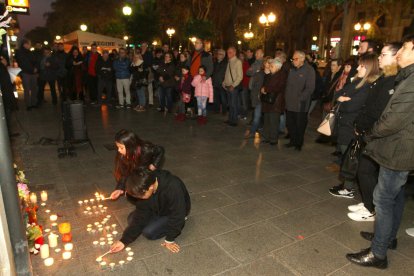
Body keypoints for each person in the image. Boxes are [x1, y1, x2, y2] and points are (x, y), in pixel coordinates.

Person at [346, 35, 414, 269]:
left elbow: (391, 120)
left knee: (383, 199)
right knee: (394, 197)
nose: (399, 53)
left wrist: (369, 134)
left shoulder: (411, 81)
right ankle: (387, 239)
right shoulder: (406, 77)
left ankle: (378, 253)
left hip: (397, 149)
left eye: (404, 48)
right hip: (397, 146)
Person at [347, 42, 402, 222]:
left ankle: (370, 209)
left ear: (396, 56)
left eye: (383, 54)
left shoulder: (394, 80)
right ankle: (368, 204)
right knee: (366, 170)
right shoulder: (385, 76)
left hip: (375, 133)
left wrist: (364, 128)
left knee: (366, 170)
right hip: (368, 130)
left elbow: (379, 109)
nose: (379, 57)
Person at [329, 53, 381, 199]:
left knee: (350, 158)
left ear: (369, 67)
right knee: (346, 155)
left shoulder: (367, 86)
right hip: (344, 124)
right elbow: (338, 93)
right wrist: (341, 98)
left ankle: (348, 188)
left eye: (361, 66)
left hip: (351, 126)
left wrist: (342, 100)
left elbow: (352, 106)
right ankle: (347, 185)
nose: (358, 67)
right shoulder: (357, 81)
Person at [110, 168, 191, 254]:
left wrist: (170, 239)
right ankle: (155, 220)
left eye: (141, 196)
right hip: (156, 207)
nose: (139, 198)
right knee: (131, 219)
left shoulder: (172, 186)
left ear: (151, 187)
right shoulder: (143, 186)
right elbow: (141, 213)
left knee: (149, 232)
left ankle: (181, 220)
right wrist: (124, 241)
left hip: (173, 211)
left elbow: (177, 214)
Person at [110, 129, 165, 200]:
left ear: (130, 146)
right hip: (136, 174)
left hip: (146, 173)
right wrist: (119, 188)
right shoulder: (122, 155)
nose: (118, 150)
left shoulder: (146, 149)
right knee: (134, 194)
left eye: (121, 147)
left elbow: (160, 150)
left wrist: (154, 164)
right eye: (117, 147)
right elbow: (124, 173)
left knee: (148, 193)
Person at [284, 51, 315, 151]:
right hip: (289, 102)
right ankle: (292, 141)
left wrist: (300, 98)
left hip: (301, 104)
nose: (293, 61)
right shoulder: (291, 69)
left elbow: (310, 88)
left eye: (296, 59)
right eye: (293, 59)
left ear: (302, 59)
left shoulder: (309, 70)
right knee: (290, 123)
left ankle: (298, 143)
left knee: (300, 124)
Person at [315, 58, 343, 144]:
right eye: (331, 65)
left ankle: (329, 138)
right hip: (326, 101)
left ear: (339, 66)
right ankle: (324, 137)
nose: (331, 67)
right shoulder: (330, 74)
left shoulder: (340, 77)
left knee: (331, 120)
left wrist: (332, 100)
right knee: (325, 119)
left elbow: (337, 91)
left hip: (332, 102)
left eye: (334, 65)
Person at [260, 58, 287, 145]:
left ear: (277, 67)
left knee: (274, 121)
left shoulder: (282, 75)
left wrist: (266, 89)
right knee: (267, 120)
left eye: (272, 66)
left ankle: (273, 139)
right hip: (267, 101)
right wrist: (263, 88)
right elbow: (264, 83)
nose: (270, 68)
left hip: (276, 102)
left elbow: (278, 87)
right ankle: (266, 137)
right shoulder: (270, 75)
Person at [244, 49, 265, 138]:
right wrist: (254, 71)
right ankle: (259, 127)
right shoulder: (255, 63)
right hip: (254, 90)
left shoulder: (263, 64)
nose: (256, 54)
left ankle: (253, 130)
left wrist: (254, 71)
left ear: (262, 54)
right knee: (257, 111)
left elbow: (258, 76)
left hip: (258, 91)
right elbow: (248, 72)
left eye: (258, 53)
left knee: (257, 111)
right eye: (256, 53)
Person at [15, 39, 39, 110]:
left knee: (34, 89)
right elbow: (23, 64)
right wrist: (32, 69)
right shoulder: (19, 53)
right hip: (25, 73)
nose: (30, 45)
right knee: (27, 90)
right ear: (25, 44)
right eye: (29, 44)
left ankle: (34, 103)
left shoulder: (31, 52)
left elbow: (36, 61)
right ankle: (28, 105)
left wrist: (36, 68)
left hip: (33, 73)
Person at [223, 47, 243, 127]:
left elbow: (240, 76)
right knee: (230, 103)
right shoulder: (229, 61)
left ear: (234, 53)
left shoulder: (237, 62)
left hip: (233, 87)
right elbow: (227, 73)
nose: (228, 54)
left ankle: (234, 120)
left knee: (234, 104)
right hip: (228, 86)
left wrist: (233, 85)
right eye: (227, 52)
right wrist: (224, 82)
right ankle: (230, 119)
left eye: (230, 52)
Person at [0, 55, 18, 134]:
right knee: (7, 113)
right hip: (6, 93)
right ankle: (7, 133)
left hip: (6, 92)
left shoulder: (3, 68)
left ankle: (8, 132)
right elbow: (7, 81)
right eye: (4, 60)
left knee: (8, 112)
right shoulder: (2, 69)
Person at [212, 49, 228, 114]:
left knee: (223, 98)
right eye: (218, 54)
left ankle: (224, 111)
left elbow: (226, 73)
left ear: (223, 55)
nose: (218, 55)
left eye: (220, 54)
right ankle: (216, 110)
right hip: (215, 82)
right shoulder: (215, 62)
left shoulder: (226, 63)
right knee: (216, 98)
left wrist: (224, 81)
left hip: (222, 83)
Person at [238, 52, 250, 120]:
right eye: (239, 56)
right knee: (239, 101)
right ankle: (240, 113)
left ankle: (245, 114)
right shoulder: (237, 63)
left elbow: (246, 75)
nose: (240, 57)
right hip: (238, 84)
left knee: (244, 100)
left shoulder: (246, 64)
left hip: (244, 85)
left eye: (242, 56)